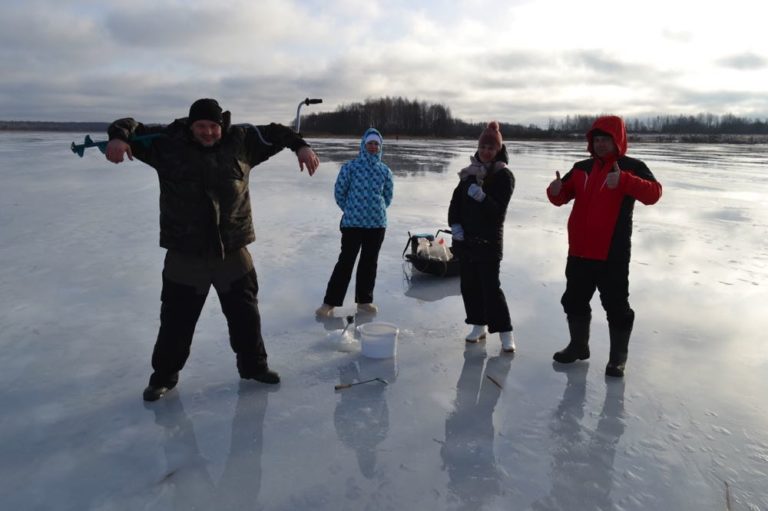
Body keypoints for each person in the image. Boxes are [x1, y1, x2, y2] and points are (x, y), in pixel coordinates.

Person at [104, 98, 320, 401]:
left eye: (213, 126)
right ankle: (163, 377)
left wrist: (301, 146)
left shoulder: (242, 142)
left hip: (232, 249)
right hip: (185, 252)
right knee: (176, 322)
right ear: (191, 125)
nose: (208, 132)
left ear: (223, 125)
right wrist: (119, 137)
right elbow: (129, 126)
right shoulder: (166, 144)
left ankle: (255, 368)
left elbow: (277, 132)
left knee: (246, 317)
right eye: (201, 126)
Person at [546, 115, 662, 377]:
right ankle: (578, 346)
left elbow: (654, 193)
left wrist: (624, 181)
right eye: (596, 140)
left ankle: (617, 358)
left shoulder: (631, 167)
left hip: (612, 253)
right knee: (574, 301)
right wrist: (554, 190)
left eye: (605, 140)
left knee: (617, 307)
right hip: (578, 251)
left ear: (617, 140)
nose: (599, 145)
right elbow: (562, 196)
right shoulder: (581, 167)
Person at [448, 121, 515, 353]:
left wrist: (482, 198)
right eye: (483, 147)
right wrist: (455, 225)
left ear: (498, 150)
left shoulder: (504, 176)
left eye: (491, 148)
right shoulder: (468, 175)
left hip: (488, 243)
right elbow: (454, 205)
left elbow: (498, 213)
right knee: (469, 286)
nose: (486, 152)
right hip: (466, 242)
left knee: (491, 289)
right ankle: (478, 326)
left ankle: (506, 332)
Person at [315, 128, 394, 317]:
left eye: (377, 144)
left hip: (376, 224)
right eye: (370, 143)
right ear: (363, 145)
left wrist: (375, 210)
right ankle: (329, 303)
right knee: (345, 262)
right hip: (352, 224)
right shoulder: (350, 167)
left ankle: (364, 301)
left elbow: (388, 197)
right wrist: (351, 209)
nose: (373, 147)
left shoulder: (385, 171)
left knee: (369, 263)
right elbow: (339, 192)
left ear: (380, 147)